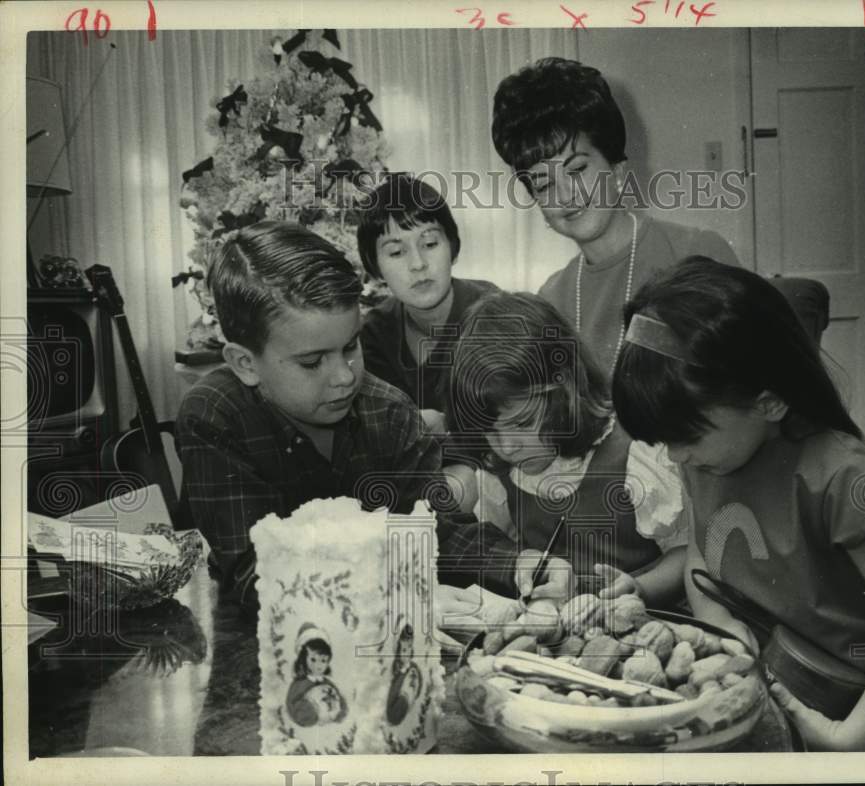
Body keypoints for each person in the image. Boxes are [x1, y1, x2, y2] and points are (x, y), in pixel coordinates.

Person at [609, 257, 865, 751]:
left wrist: (849, 740)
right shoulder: (705, 459)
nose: (675, 457)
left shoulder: (845, 478)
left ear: (770, 401)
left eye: (686, 436)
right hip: (791, 689)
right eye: (664, 441)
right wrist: (724, 627)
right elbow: (701, 555)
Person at [174, 221, 571, 609]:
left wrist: (519, 563)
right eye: (313, 362)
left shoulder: (389, 410)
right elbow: (251, 572)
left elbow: (437, 530)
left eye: (351, 347)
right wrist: (390, 595)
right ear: (245, 363)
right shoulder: (213, 414)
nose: (345, 376)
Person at [491, 56, 740, 375]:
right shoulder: (552, 300)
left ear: (617, 169)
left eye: (578, 169)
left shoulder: (697, 253)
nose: (566, 195)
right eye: (543, 183)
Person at [445, 291, 688, 602]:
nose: (506, 447)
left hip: (647, 623)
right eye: (488, 430)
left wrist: (641, 589)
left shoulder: (635, 453)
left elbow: (686, 553)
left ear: (565, 392)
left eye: (522, 423)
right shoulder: (498, 472)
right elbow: (503, 550)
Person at [358, 173, 498, 434]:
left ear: (452, 247)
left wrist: (448, 426)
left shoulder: (495, 313)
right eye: (397, 252)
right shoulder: (375, 332)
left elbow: (522, 416)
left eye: (430, 243)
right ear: (375, 267)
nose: (418, 264)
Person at [285, 623, 347, 727]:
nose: (319, 665)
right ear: (303, 659)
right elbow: (292, 704)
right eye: (313, 659)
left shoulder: (327, 682)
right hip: (309, 727)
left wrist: (340, 709)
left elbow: (339, 698)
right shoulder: (300, 684)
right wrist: (310, 711)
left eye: (323, 660)